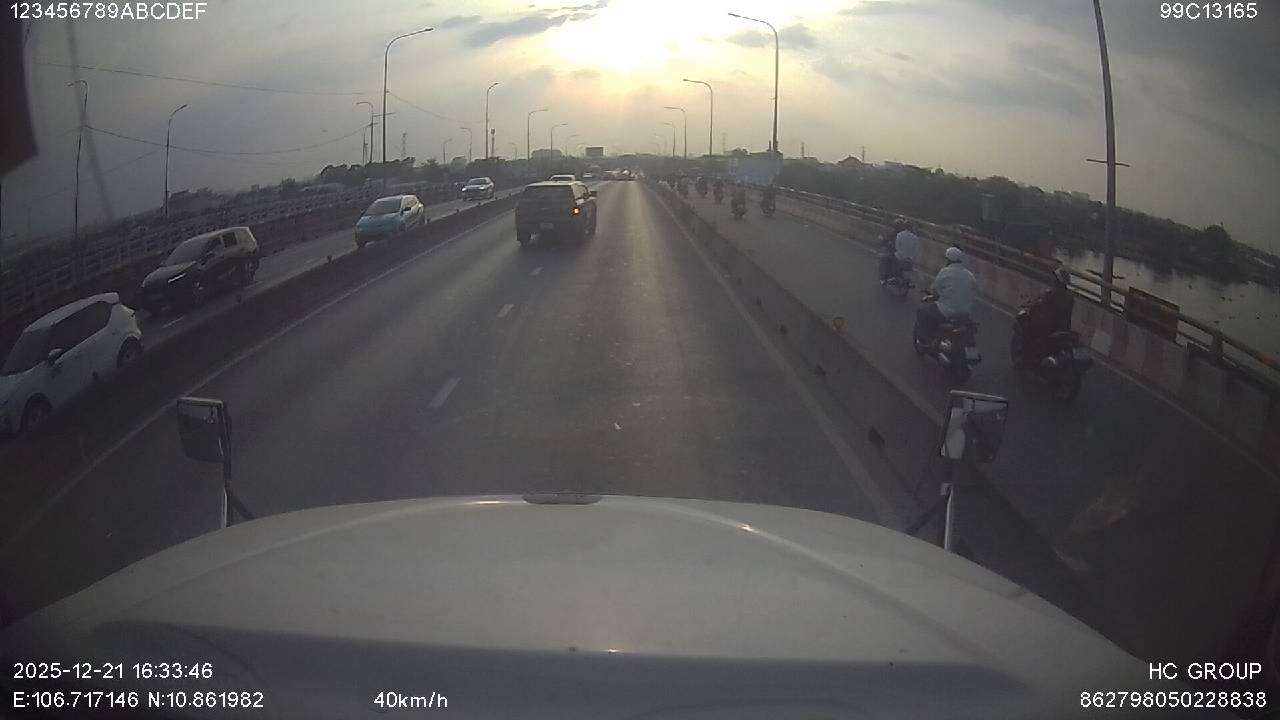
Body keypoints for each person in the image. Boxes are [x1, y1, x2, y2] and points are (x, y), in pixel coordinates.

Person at [916, 246, 976, 345]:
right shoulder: (970, 275)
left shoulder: (945, 271)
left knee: (922, 310)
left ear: (948, 260)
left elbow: (935, 290)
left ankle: (926, 339)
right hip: (966, 313)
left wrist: (934, 296)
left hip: (947, 311)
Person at [1016, 266, 1075, 365]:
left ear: (1058, 282)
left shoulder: (1052, 294)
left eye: (1055, 279)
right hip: (1063, 327)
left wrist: (1031, 305)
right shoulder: (1069, 296)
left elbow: (1040, 304)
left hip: (1049, 326)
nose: (1053, 281)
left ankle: (1025, 358)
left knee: (1028, 329)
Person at [882, 218, 919, 284]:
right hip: (910, 258)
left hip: (899, 256)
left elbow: (897, 247)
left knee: (884, 258)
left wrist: (901, 255)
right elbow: (916, 250)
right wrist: (911, 257)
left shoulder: (900, 235)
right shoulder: (915, 237)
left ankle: (885, 277)